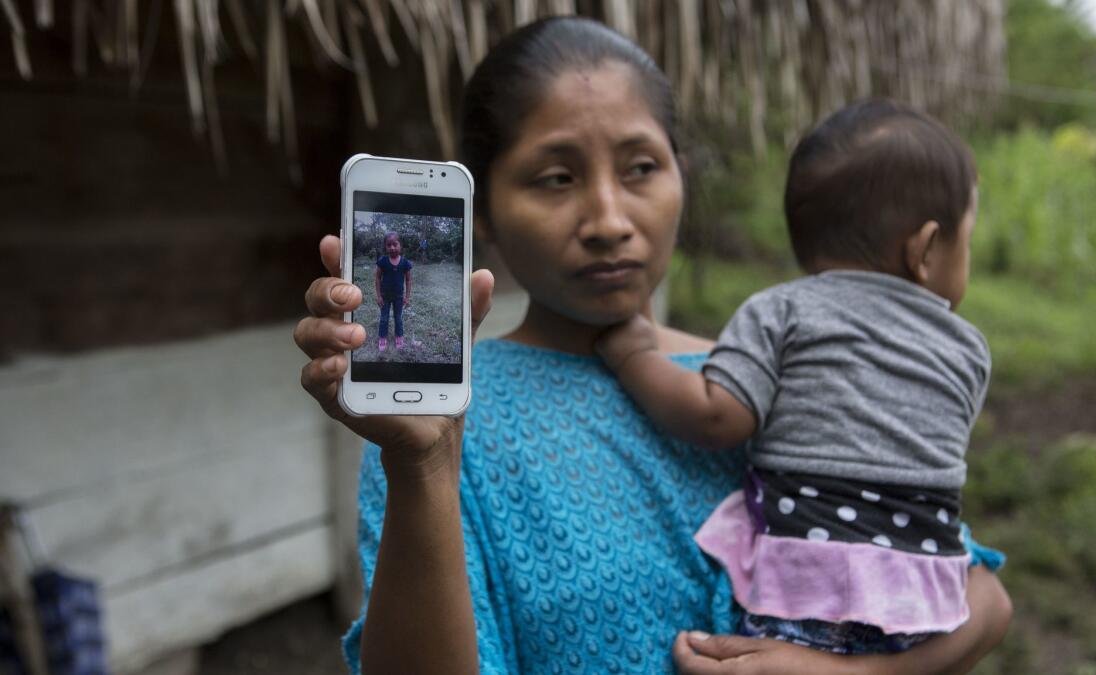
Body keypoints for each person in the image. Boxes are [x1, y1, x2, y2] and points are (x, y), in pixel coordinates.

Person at [294, 17, 1011, 675]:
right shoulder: (443, 428)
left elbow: (973, 591)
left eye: (640, 167)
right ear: (483, 214)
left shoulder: (778, 374)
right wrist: (423, 467)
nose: (609, 218)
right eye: (556, 177)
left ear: (680, 176)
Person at [595, 99, 997, 655]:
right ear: (926, 249)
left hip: (806, 590)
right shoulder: (969, 350)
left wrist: (634, 357)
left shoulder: (782, 311)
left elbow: (717, 416)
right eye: (966, 241)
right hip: (925, 602)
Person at [374, 232, 413, 351]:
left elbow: (408, 280)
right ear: (385, 247)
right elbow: (377, 278)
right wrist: (379, 296)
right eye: (388, 245)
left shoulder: (405, 263)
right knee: (384, 318)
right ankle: (382, 338)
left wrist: (407, 297)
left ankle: (399, 337)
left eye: (395, 244)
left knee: (398, 318)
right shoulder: (383, 261)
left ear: (400, 245)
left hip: (398, 297)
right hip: (385, 296)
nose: (392, 247)